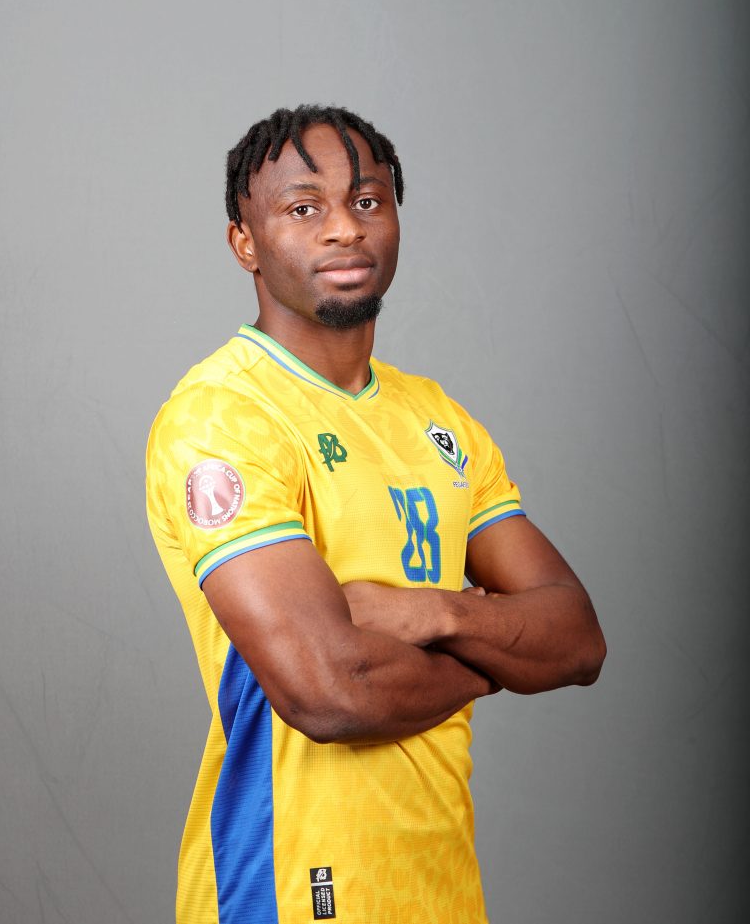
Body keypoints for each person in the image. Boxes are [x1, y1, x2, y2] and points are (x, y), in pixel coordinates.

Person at [146, 104, 606, 924]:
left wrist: (429, 613)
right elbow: (330, 691)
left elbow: (576, 638)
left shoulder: (439, 420)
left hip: (440, 886)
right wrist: (498, 659)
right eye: (303, 207)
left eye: (367, 201)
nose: (344, 228)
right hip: (290, 887)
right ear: (245, 243)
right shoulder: (223, 416)